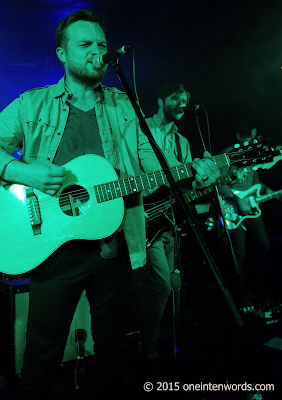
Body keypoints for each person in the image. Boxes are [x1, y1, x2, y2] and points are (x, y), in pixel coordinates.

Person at [0, 10, 220, 397]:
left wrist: (192, 172)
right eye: (85, 44)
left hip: (114, 250)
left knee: (115, 355)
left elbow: (156, 173)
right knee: (41, 358)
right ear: (62, 54)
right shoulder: (33, 105)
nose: (97, 52)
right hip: (53, 251)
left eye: (101, 44)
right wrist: (25, 173)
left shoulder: (125, 109)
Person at [133, 82, 194, 366]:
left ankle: (167, 345)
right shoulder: (143, 129)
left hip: (169, 223)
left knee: (172, 285)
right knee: (160, 286)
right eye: (175, 98)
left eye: (184, 100)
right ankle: (149, 349)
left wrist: (208, 176)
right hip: (144, 219)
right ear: (160, 100)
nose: (181, 104)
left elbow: (186, 183)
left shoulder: (183, 143)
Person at [219, 128, 273, 309]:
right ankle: (242, 298)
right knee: (238, 253)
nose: (252, 138)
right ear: (238, 135)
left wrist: (269, 192)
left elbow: (255, 183)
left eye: (253, 135)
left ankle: (258, 289)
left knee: (263, 245)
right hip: (232, 211)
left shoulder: (251, 156)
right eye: (248, 135)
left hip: (251, 210)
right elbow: (218, 184)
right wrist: (236, 198)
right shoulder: (226, 155)